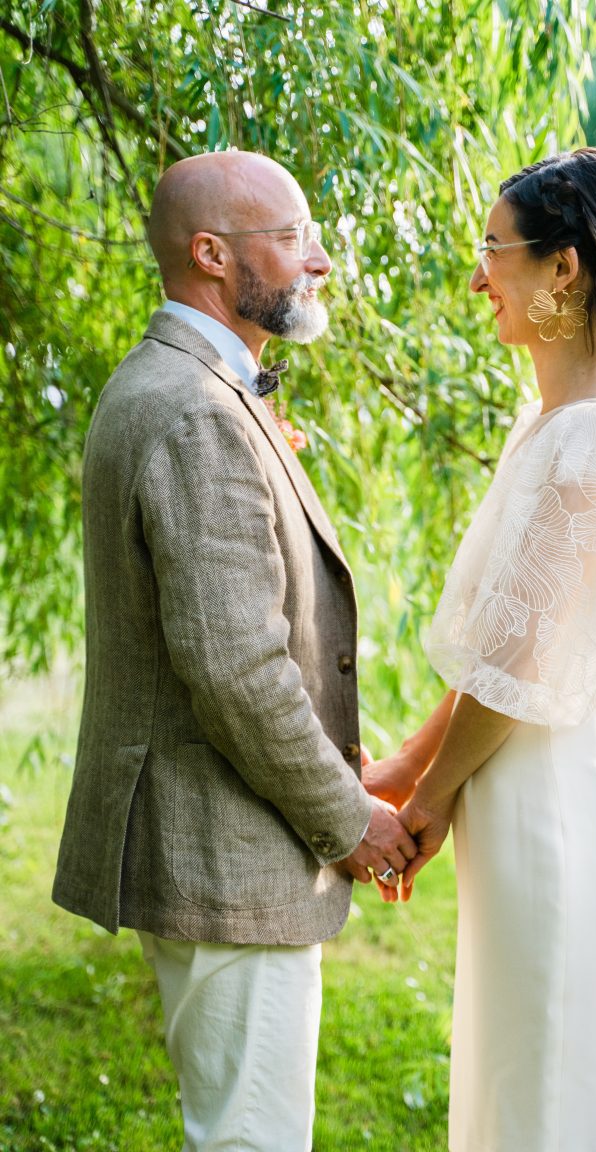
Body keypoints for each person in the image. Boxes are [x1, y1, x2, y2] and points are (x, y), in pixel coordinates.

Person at [52, 150, 417, 1152]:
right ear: (212, 255)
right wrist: (351, 823)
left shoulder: (189, 384)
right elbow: (235, 668)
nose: (322, 263)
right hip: (226, 851)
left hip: (222, 838)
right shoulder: (196, 409)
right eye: (295, 237)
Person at [365, 148, 596, 1151]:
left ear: (565, 268)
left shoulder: (593, 441)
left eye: (493, 251)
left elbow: (516, 676)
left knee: (539, 1108)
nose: (475, 278)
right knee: (506, 1093)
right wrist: (405, 771)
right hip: (512, 801)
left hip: (547, 814)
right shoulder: (549, 422)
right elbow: (495, 651)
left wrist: (426, 803)